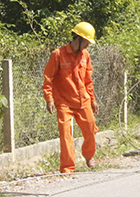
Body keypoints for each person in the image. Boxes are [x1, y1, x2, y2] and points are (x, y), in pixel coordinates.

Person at [43, 22, 100, 174]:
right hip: (64, 103)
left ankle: (89, 156)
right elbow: (48, 78)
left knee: (91, 130)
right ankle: (67, 168)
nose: (88, 45)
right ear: (78, 38)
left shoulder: (85, 56)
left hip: (84, 101)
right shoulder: (58, 54)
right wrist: (49, 99)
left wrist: (93, 99)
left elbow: (88, 80)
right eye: (87, 42)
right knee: (65, 134)